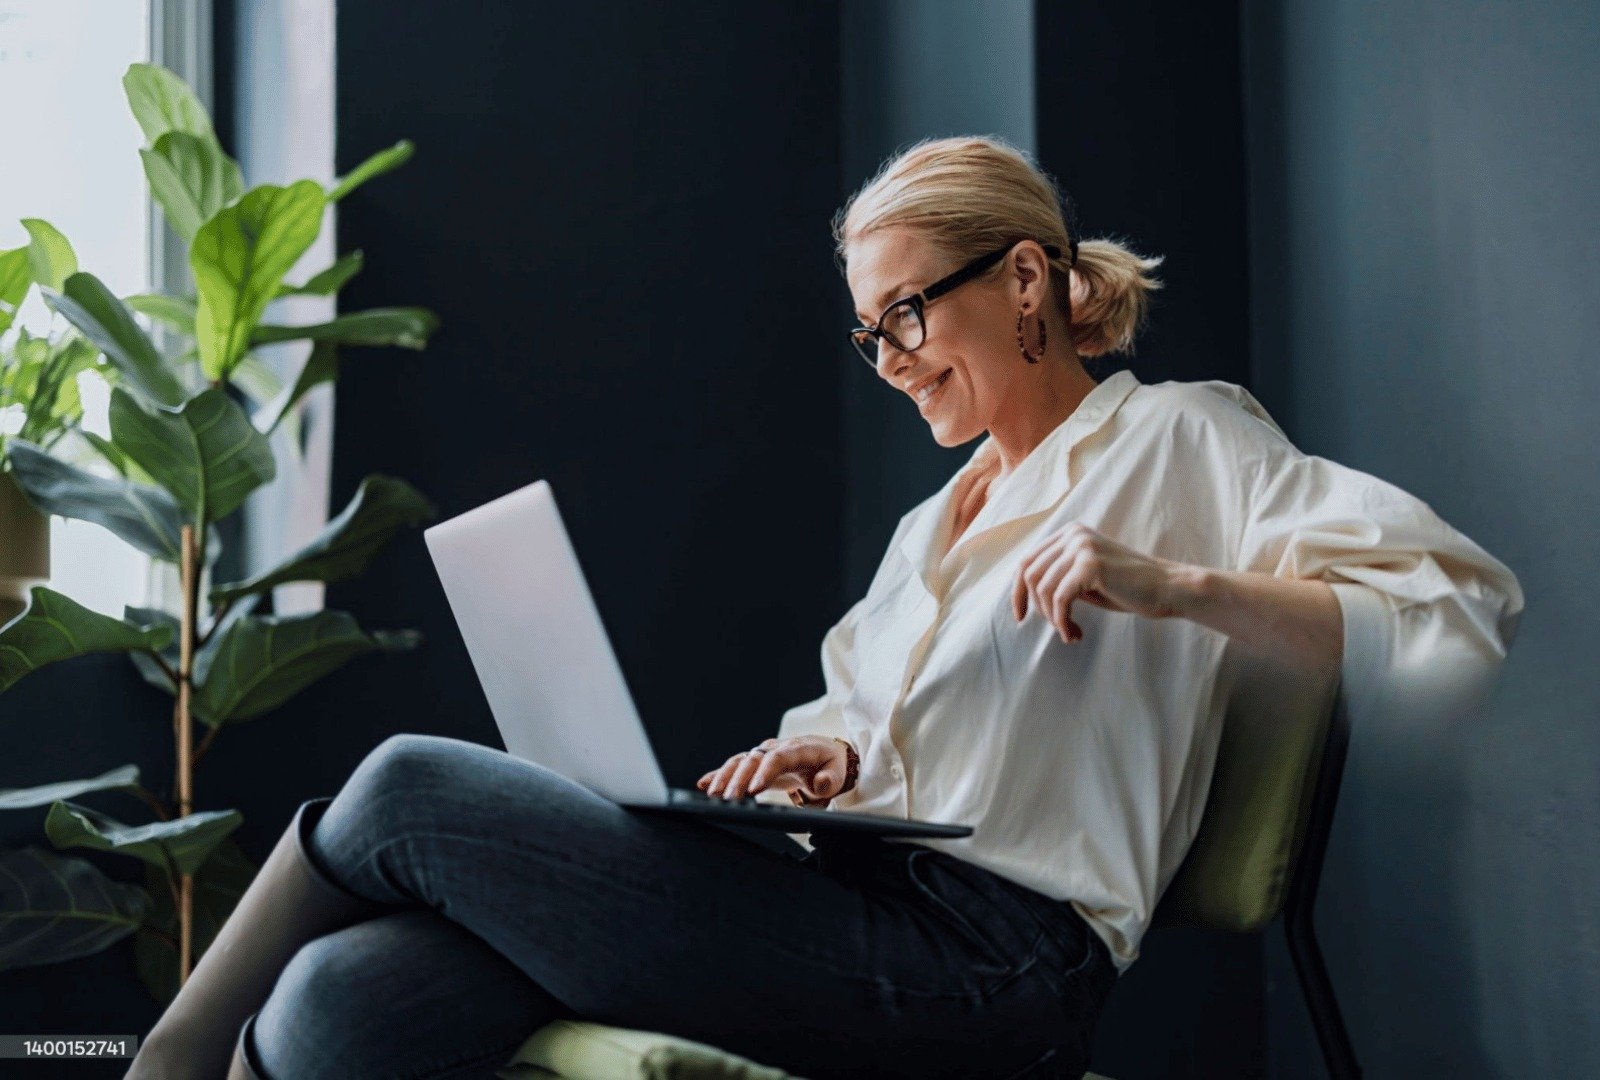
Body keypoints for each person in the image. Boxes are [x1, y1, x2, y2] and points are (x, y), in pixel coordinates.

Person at [127, 135, 1523, 1080]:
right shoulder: (934, 524)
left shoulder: (1181, 444)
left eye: (909, 315)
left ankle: (157, 1069)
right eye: (873, 333)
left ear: (1024, 278)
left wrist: (1176, 583)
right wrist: (827, 763)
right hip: (846, 904)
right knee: (340, 1002)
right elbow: (867, 720)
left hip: (997, 967)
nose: (892, 359)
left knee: (403, 793)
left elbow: (1455, 612)